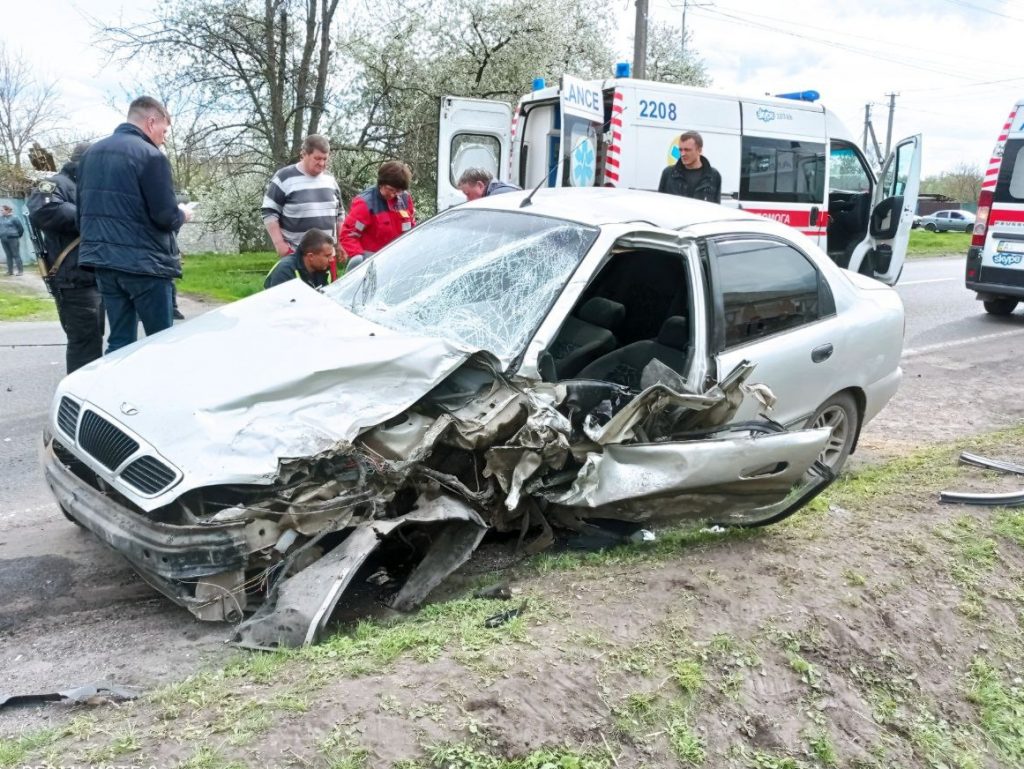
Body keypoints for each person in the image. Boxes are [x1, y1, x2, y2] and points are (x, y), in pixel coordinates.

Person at [77, 96, 193, 354]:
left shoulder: (90, 155)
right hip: (145, 265)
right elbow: (164, 217)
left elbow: (81, 211)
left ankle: (116, 393)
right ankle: (159, 393)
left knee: (119, 341)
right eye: (164, 130)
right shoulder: (151, 156)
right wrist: (182, 215)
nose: (164, 137)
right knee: (161, 341)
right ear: (151, 122)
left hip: (103, 262)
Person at [27, 142, 105, 373]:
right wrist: (94, 214)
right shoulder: (53, 184)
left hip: (95, 274)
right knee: (85, 342)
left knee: (95, 335)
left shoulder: (87, 186)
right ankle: (80, 393)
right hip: (74, 278)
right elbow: (45, 211)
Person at [261, 134, 343, 260]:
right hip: (296, 256)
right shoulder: (284, 177)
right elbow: (269, 212)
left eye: (325, 159)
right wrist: (280, 245)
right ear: (304, 154)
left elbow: (340, 214)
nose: (322, 163)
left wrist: (340, 243)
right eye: (317, 158)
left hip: (326, 258)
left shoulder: (330, 180)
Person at [340, 161, 415, 268]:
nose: (394, 194)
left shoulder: (405, 198)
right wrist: (361, 259)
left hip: (400, 261)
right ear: (381, 183)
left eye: (398, 191)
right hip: (373, 264)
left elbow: (412, 228)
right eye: (391, 190)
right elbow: (348, 235)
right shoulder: (365, 204)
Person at [658, 130, 722, 204]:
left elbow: (716, 209)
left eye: (687, 150)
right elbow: (660, 205)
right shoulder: (668, 173)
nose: (682, 154)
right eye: (680, 150)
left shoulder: (714, 176)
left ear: (699, 150)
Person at [263, 228, 335, 290]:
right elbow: (280, 304)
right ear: (311, 257)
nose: (331, 259)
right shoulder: (284, 272)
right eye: (327, 256)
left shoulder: (324, 269)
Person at [457, 168, 521, 201]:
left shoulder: (495, 198)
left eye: (468, 194)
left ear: (480, 185)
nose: (468, 199)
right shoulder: (504, 190)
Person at [0, 204, 25, 276]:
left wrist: (17, 235)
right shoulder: (0, 218)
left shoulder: (15, 218)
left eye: (2, 210)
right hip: (3, 239)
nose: (1, 212)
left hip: (13, 238)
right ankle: (10, 271)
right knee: (8, 255)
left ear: (7, 210)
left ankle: (20, 271)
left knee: (16, 254)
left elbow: (20, 229)